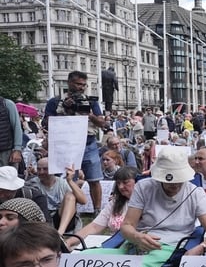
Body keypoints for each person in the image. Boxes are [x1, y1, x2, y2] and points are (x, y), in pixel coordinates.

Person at [95, 147, 206, 267]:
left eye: (177, 180)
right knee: (86, 258)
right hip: (136, 241)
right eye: (168, 180)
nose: (173, 185)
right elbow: (127, 226)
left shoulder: (195, 193)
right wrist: (138, 237)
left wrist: (201, 247)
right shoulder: (144, 187)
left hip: (169, 245)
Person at [44, 70, 106, 215]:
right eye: (78, 84)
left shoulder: (91, 101)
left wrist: (89, 113)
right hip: (66, 145)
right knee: (68, 179)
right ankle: (69, 209)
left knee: (94, 179)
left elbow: (102, 122)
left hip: (88, 144)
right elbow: (46, 123)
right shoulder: (56, 101)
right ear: (69, 83)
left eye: (84, 85)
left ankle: (97, 210)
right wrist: (64, 108)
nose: (81, 87)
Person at [64, 166, 136, 250]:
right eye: (118, 183)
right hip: (114, 247)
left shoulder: (147, 203)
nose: (120, 187)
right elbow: (94, 226)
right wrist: (69, 242)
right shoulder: (115, 203)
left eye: (125, 182)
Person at [28, 158, 86, 234]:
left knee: (71, 196)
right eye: (39, 169)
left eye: (45, 169)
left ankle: (60, 233)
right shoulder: (32, 183)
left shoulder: (62, 183)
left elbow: (83, 201)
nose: (41, 172)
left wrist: (70, 181)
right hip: (41, 219)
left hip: (61, 218)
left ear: (53, 170)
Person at [0, 96, 23, 168]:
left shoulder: (7, 104)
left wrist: (17, 149)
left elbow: (17, 127)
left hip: (6, 152)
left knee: (8, 178)